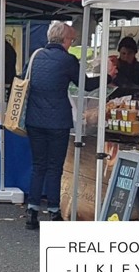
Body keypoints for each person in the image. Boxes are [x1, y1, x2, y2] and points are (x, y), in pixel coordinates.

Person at [24, 22, 117, 230]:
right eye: (72, 40)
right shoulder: (68, 60)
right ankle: (54, 211)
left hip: (34, 119)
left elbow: (24, 80)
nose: (71, 43)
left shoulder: (35, 56)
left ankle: (32, 211)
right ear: (65, 40)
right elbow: (86, 85)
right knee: (54, 167)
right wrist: (109, 76)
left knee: (38, 164)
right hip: (57, 121)